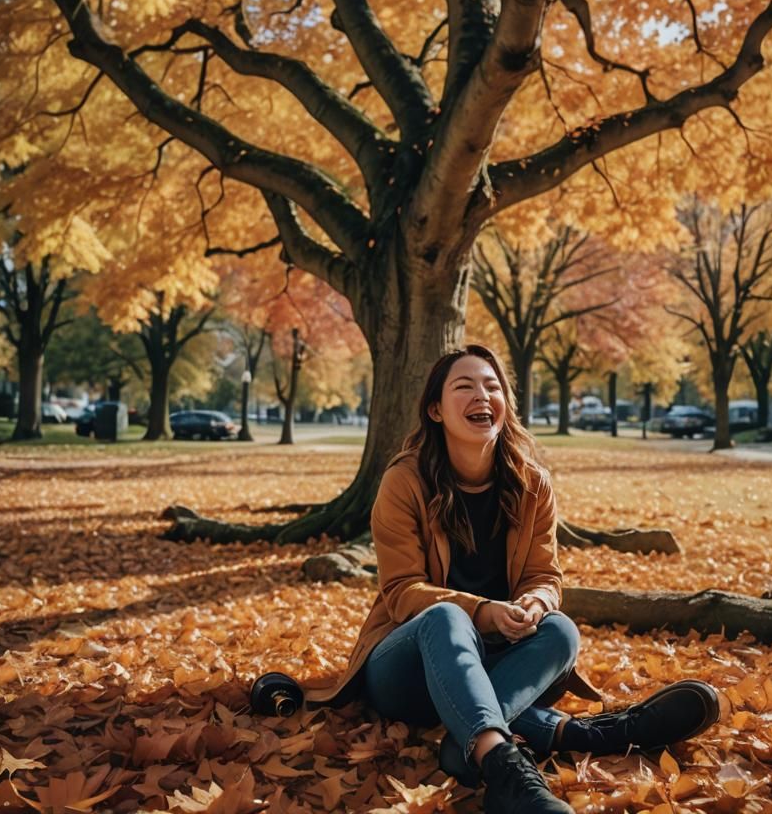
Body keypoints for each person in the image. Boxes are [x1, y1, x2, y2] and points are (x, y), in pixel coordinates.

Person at [306, 345, 719, 813]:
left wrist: (536, 605)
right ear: (436, 410)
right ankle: (586, 735)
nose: (482, 394)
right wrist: (482, 611)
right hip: (409, 668)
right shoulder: (404, 482)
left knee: (560, 628)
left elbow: (545, 575)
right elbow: (402, 593)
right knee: (446, 618)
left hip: (497, 663)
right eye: (464, 386)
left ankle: (478, 749)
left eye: (492, 385)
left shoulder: (532, 484)